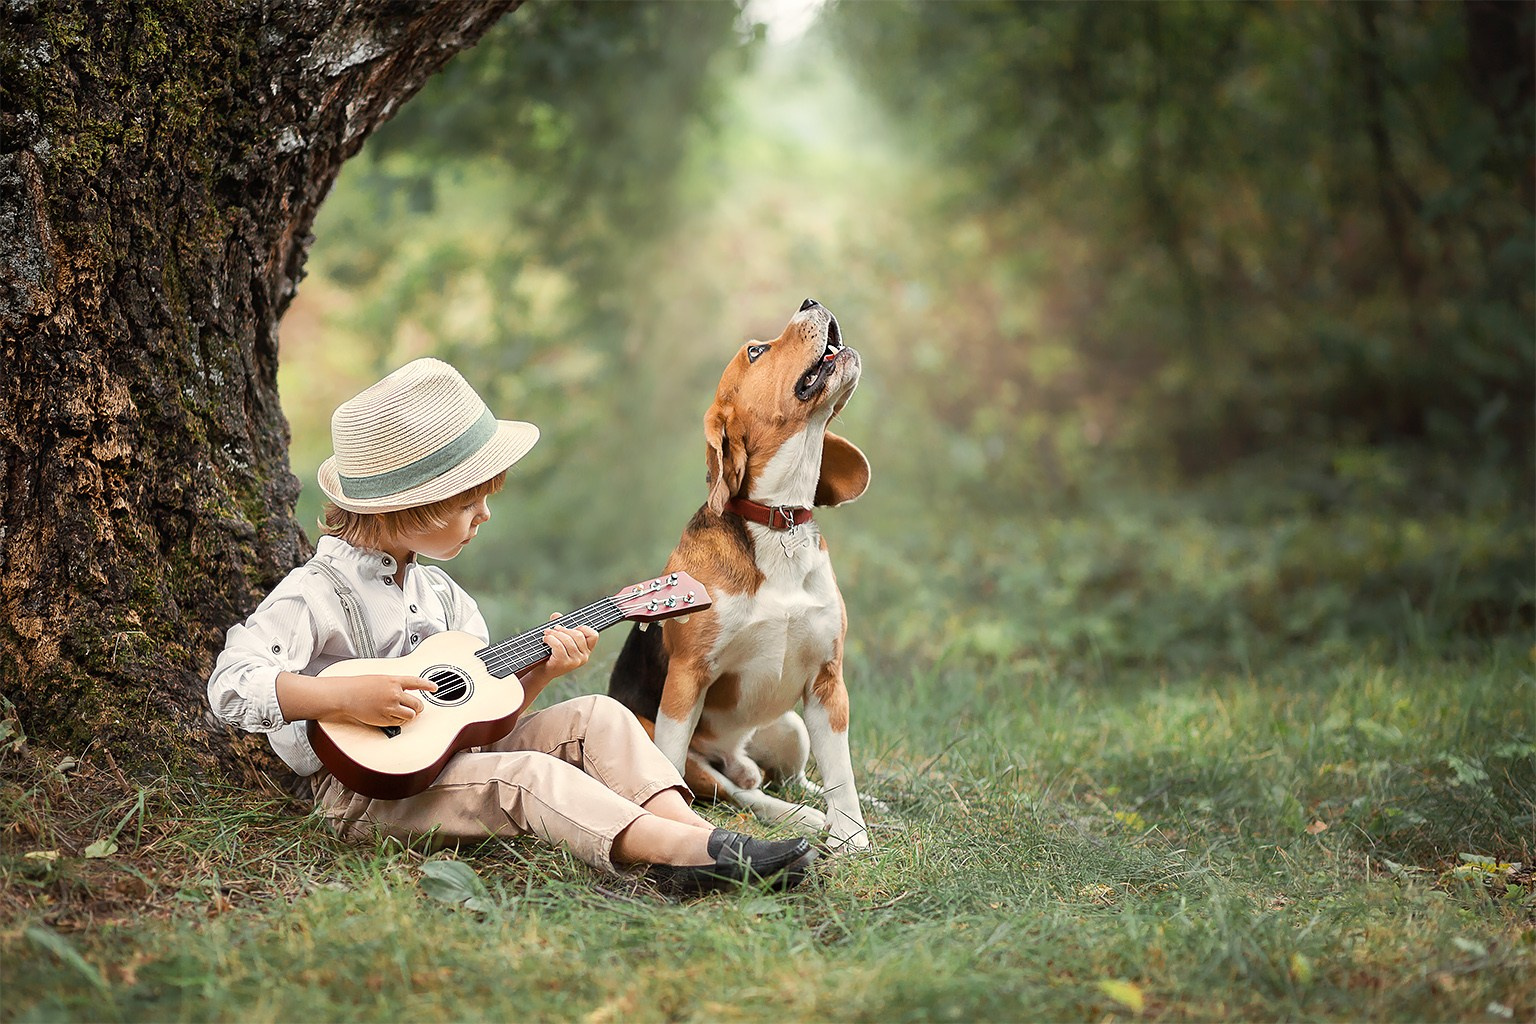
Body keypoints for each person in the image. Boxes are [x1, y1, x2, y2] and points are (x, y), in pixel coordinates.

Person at [207, 358, 815, 893]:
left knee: (601, 714)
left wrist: (545, 671)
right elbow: (231, 683)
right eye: (469, 501)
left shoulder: (441, 597)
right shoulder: (314, 594)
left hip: (450, 761)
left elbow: (472, 717)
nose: (485, 514)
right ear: (409, 506)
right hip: (365, 795)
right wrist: (342, 696)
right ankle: (673, 856)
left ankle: (700, 837)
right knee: (529, 775)